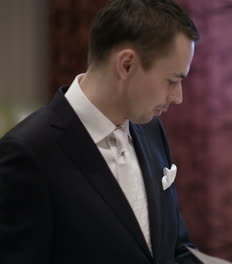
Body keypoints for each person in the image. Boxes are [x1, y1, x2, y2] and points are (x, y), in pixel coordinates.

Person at [0, 0, 201, 263]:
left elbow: (175, 246)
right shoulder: (27, 154)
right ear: (126, 65)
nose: (178, 97)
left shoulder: (151, 131)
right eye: (172, 80)